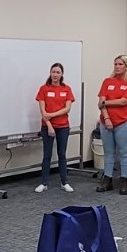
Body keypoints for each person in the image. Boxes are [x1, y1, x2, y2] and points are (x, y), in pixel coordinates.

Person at [96, 54, 127, 195]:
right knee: (108, 153)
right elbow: (100, 102)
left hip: (123, 122)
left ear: (126, 66)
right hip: (106, 122)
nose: (117, 66)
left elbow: (124, 101)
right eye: (115, 64)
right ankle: (107, 179)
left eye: (120, 64)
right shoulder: (107, 81)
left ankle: (125, 179)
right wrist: (107, 119)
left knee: (124, 153)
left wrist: (106, 102)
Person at [35, 63, 76, 193]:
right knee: (47, 155)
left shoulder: (67, 89)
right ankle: (44, 183)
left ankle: (64, 182)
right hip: (47, 127)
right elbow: (43, 111)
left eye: (58, 72)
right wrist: (50, 126)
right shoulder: (44, 89)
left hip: (63, 126)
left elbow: (67, 108)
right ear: (50, 73)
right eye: (53, 72)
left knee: (62, 154)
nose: (55, 75)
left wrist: (52, 115)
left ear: (62, 74)